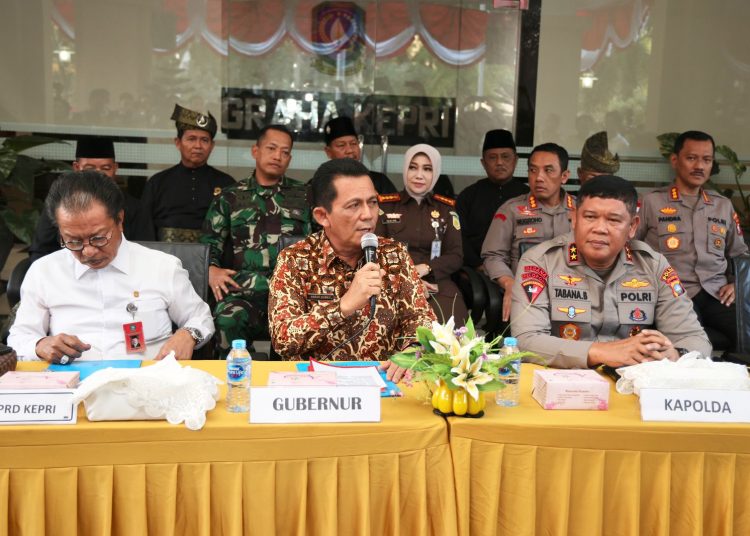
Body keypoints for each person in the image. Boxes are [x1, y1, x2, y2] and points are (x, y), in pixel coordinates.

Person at [8, 171, 214, 362]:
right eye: (73, 241)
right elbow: (20, 336)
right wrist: (39, 345)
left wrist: (188, 334)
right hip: (72, 384)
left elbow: (200, 317)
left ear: (120, 220)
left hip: (146, 383)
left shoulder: (162, 267)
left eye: (98, 238)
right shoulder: (44, 271)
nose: (88, 252)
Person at [511, 175, 711, 369]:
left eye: (613, 220)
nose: (600, 228)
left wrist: (676, 355)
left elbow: (695, 339)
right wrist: (605, 352)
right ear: (573, 219)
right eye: (590, 217)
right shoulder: (540, 261)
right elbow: (526, 341)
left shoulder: (653, 265)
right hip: (563, 383)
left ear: (632, 227)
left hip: (632, 383)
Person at [268, 158, 435, 380]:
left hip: (385, 386)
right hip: (316, 390)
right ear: (322, 216)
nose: (368, 214)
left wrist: (413, 350)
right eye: (354, 205)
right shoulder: (295, 260)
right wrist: (344, 306)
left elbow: (422, 319)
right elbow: (283, 339)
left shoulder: (394, 255)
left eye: (373, 202)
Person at [201, 125, 311, 356]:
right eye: (271, 148)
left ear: (289, 158)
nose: (277, 156)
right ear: (255, 151)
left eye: (284, 152)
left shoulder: (304, 196)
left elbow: (322, 242)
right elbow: (210, 243)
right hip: (245, 293)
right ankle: (236, 380)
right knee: (227, 317)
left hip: (294, 294)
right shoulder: (230, 196)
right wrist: (211, 269)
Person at [635, 130, 748, 351]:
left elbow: (740, 254)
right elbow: (630, 248)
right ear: (675, 161)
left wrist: (737, 284)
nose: (699, 166)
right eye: (691, 158)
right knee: (689, 344)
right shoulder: (652, 202)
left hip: (716, 294)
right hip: (672, 294)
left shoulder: (722, 205)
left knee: (746, 333)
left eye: (706, 160)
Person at [375, 143, 468, 326]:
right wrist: (410, 279)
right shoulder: (385, 206)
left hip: (437, 283)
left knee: (452, 329)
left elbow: (455, 255)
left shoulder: (446, 209)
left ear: (436, 173)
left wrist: (426, 268)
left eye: (427, 169)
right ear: (405, 169)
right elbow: (377, 251)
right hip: (393, 282)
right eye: (413, 167)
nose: (419, 175)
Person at [482, 142, 575, 321]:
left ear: (564, 176)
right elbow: (493, 256)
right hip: (526, 294)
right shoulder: (511, 210)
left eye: (548, 170)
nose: (539, 177)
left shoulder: (583, 211)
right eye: (533, 170)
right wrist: (510, 283)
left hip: (571, 294)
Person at [29, 136, 154, 263]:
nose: (98, 174)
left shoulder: (135, 208)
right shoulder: (62, 205)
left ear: (115, 168)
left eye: (106, 168)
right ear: (77, 167)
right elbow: (40, 251)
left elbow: (145, 253)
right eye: (90, 168)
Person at [141, 103, 235, 242]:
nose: (198, 146)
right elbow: (144, 227)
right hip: (164, 259)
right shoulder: (157, 183)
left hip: (212, 261)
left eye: (204, 140)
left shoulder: (226, 183)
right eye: (191, 139)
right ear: (178, 143)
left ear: (212, 146)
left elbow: (233, 232)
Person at [456, 129, 529, 269]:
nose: (499, 162)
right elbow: (458, 238)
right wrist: (477, 265)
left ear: (516, 160)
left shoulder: (528, 196)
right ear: (483, 163)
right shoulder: (468, 196)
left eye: (505, 156)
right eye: (492, 157)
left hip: (521, 271)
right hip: (476, 273)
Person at [323, 116, 398, 195]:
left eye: (353, 144)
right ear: (328, 152)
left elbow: (395, 206)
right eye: (341, 145)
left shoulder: (380, 182)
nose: (350, 150)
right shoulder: (319, 184)